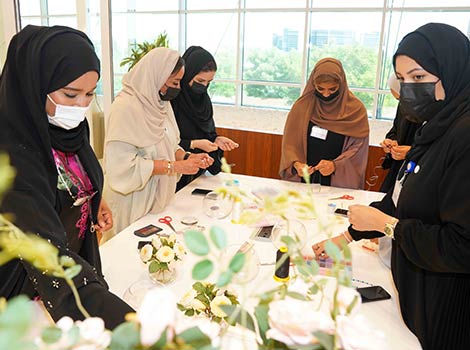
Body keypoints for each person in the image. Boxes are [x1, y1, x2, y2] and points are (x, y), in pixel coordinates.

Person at [313, 23, 470, 349]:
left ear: (452, 70)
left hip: (446, 306)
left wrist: (387, 226)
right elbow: (404, 198)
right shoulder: (437, 127)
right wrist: (346, 237)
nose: (409, 88)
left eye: (418, 77)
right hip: (418, 291)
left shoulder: (464, 136)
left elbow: (461, 247)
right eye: (402, 79)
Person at [0, 25, 133, 329]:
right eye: (70, 94)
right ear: (34, 85)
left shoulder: (67, 129)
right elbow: (49, 257)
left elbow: (74, 175)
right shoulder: (11, 156)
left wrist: (94, 199)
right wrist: (135, 330)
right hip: (25, 286)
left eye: (90, 94)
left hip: (71, 263)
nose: (81, 107)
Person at [104, 47, 214, 234]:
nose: (178, 89)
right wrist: (173, 167)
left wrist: (186, 157)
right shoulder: (125, 108)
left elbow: (170, 144)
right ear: (156, 76)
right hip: (131, 200)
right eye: (175, 82)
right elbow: (122, 167)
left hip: (157, 198)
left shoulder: (160, 103)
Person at [279, 58, 369, 189]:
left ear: (342, 85)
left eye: (332, 89)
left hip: (338, 181)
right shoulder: (302, 106)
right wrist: (296, 164)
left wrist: (335, 165)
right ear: (313, 84)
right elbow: (290, 143)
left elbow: (357, 148)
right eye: (320, 89)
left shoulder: (355, 110)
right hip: (304, 179)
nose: (326, 94)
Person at [171, 46, 238, 191]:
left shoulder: (204, 101)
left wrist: (216, 139)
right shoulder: (172, 100)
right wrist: (194, 144)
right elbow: (165, 144)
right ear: (187, 74)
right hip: (174, 177)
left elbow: (207, 132)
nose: (204, 87)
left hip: (199, 176)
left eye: (209, 82)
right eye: (200, 81)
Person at [379, 74, 420, 193]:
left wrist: (412, 152)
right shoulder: (404, 106)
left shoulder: (433, 112)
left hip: (418, 173)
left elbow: (437, 148)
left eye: (402, 98)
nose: (401, 103)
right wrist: (391, 142)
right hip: (398, 167)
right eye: (398, 100)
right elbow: (396, 130)